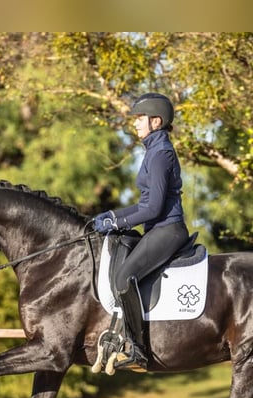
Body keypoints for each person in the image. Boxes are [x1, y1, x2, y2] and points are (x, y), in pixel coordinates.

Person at [92, 92, 190, 370]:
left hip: (167, 229)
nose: (134, 124)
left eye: (139, 119)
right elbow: (144, 203)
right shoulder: (153, 151)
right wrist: (112, 215)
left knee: (123, 278)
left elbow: (154, 208)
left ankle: (137, 349)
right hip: (156, 228)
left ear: (155, 121)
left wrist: (117, 223)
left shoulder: (161, 154)